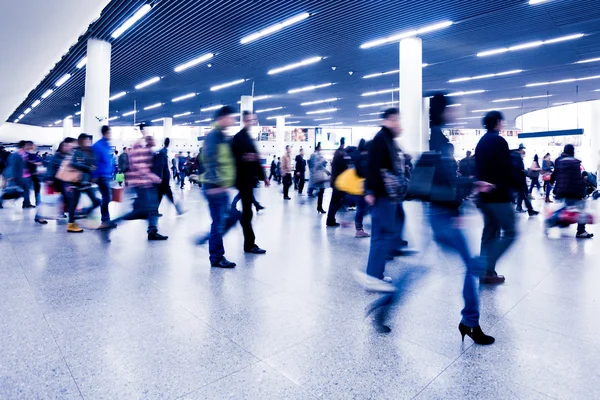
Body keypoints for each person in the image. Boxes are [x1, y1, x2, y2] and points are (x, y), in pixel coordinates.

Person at [362, 108, 404, 289]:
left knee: (381, 235)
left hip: (385, 195)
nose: (398, 124)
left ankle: (374, 274)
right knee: (382, 235)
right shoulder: (381, 139)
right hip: (382, 195)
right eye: (395, 120)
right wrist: (370, 190)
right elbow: (372, 166)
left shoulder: (387, 139)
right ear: (387, 120)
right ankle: (373, 276)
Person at [475, 111, 517, 284]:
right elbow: (506, 169)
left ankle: (487, 272)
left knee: (490, 232)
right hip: (499, 196)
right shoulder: (499, 141)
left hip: (484, 196)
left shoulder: (481, 142)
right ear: (498, 122)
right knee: (510, 232)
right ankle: (485, 265)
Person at [108, 135, 167, 240]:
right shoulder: (141, 151)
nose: (154, 141)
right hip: (141, 184)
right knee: (141, 211)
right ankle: (112, 222)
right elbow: (141, 169)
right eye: (152, 139)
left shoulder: (149, 151)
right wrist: (155, 178)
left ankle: (152, 231)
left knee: (152, 209)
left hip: (146, 184)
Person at [200, 106, 238, 268]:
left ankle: (208, 240)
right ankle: (216, 256)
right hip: (215, 187)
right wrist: (215, 184)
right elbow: (209, 159)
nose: (233, 120)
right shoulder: (214, 136)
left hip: (222, 186)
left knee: (231, 217)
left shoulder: (222, 136)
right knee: (219, 222)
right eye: (231, 117)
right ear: (222, 118)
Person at [231, 111, 270, 254]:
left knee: (248, 211)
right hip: (242, 180)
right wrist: (244, 158)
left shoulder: (248, 138)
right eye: (249, 119)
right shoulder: (238, 138)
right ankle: (249, 244)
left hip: (248, 180)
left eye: (253, 120)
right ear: (244, 120)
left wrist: (264, 176)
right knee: (247, 212)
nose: (252, 122)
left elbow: (256, 159)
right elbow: (233, 158)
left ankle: (249, 241)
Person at [551, 144, 593, 239]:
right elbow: (576, 179)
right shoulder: (574, 162)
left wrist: (552, 183)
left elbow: (556, 174)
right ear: (572, 151)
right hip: (573, 190)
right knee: (581, 210)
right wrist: (583, 189)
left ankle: (553, 220)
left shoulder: (559, 161)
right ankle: (580, 231)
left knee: (566, 208)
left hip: (562, 189)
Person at [65, 134, 102, 233]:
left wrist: (94, 173)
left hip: (87, 182)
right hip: (77, 181)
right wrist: (86, 167)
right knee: (74, 203)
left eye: (89, 140)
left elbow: (95, 164)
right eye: (85, 140)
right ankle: (71, 224)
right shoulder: (76, 151)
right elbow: (72, 163)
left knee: (96, 201)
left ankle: (84, 212)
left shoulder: (92, 152)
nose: (87, 142)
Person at [92, 126, 116, 229]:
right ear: (104, 133)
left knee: (106, 197)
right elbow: (94, 162)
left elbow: (109, 160)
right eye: (109, 133)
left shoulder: (108, 145)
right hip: (101, 176)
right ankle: (105, 220)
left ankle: (106, 219)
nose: (111, 135)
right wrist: (94, 175)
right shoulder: (97, 146)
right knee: (107, 197)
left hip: (107, 175)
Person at [154, 138, 182, 214]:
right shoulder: (163, 152)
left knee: (160, 196)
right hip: (163, 180)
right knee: (168, 195)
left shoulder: (163, 152)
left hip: (163, 179)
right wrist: (161, 178)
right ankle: (178, 209)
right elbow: (161, 166)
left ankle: (154, 211)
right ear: (169, 143)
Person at [3, 140, 34, 208]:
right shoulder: (16, 154)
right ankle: (1, 200)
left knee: (26, 190)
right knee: (13, 190)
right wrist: (11, 176)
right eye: (26, 145)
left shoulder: (24, 154)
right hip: (18, 176)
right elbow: (11, 165)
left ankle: (26, 203)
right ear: (23, 146)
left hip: (25, 175)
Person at [326, 137, 350, 227]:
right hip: (338, 182)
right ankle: (330, 220)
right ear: (344, 144)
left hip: (335, 181)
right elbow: (345, 167)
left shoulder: (337, 152)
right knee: (336, 202)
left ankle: (331, 219)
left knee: (334, 201)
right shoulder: (342, 154)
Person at [351, 139, 370, 238]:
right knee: (362, 208)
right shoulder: (364, 158)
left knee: (361, 207)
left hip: (356, 186)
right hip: (362, 187)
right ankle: (358, 229)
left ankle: (358, 228)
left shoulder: (355, 155)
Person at [513, 144, 538, 216]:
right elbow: (519, 169)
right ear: (520, 150)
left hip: (519, 179)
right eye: (523, 150)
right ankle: (528, 210)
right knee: (524, 194)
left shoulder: (515, 157)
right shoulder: (516, 157)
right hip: (519, 179)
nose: (524, 152)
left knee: (523, 194)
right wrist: (525, 172)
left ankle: (524, 208)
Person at [307, 143, 328, 213]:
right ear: (318, 148)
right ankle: (319, 207)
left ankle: (319, 207)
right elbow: (315, 165)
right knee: (321, 190)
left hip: (319, 175)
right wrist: (322, 160)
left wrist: (327, 172)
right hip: (316, 176)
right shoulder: (314, 155)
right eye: (320, 147)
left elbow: (320, 166)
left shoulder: (318, 155)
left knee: (322, 190)